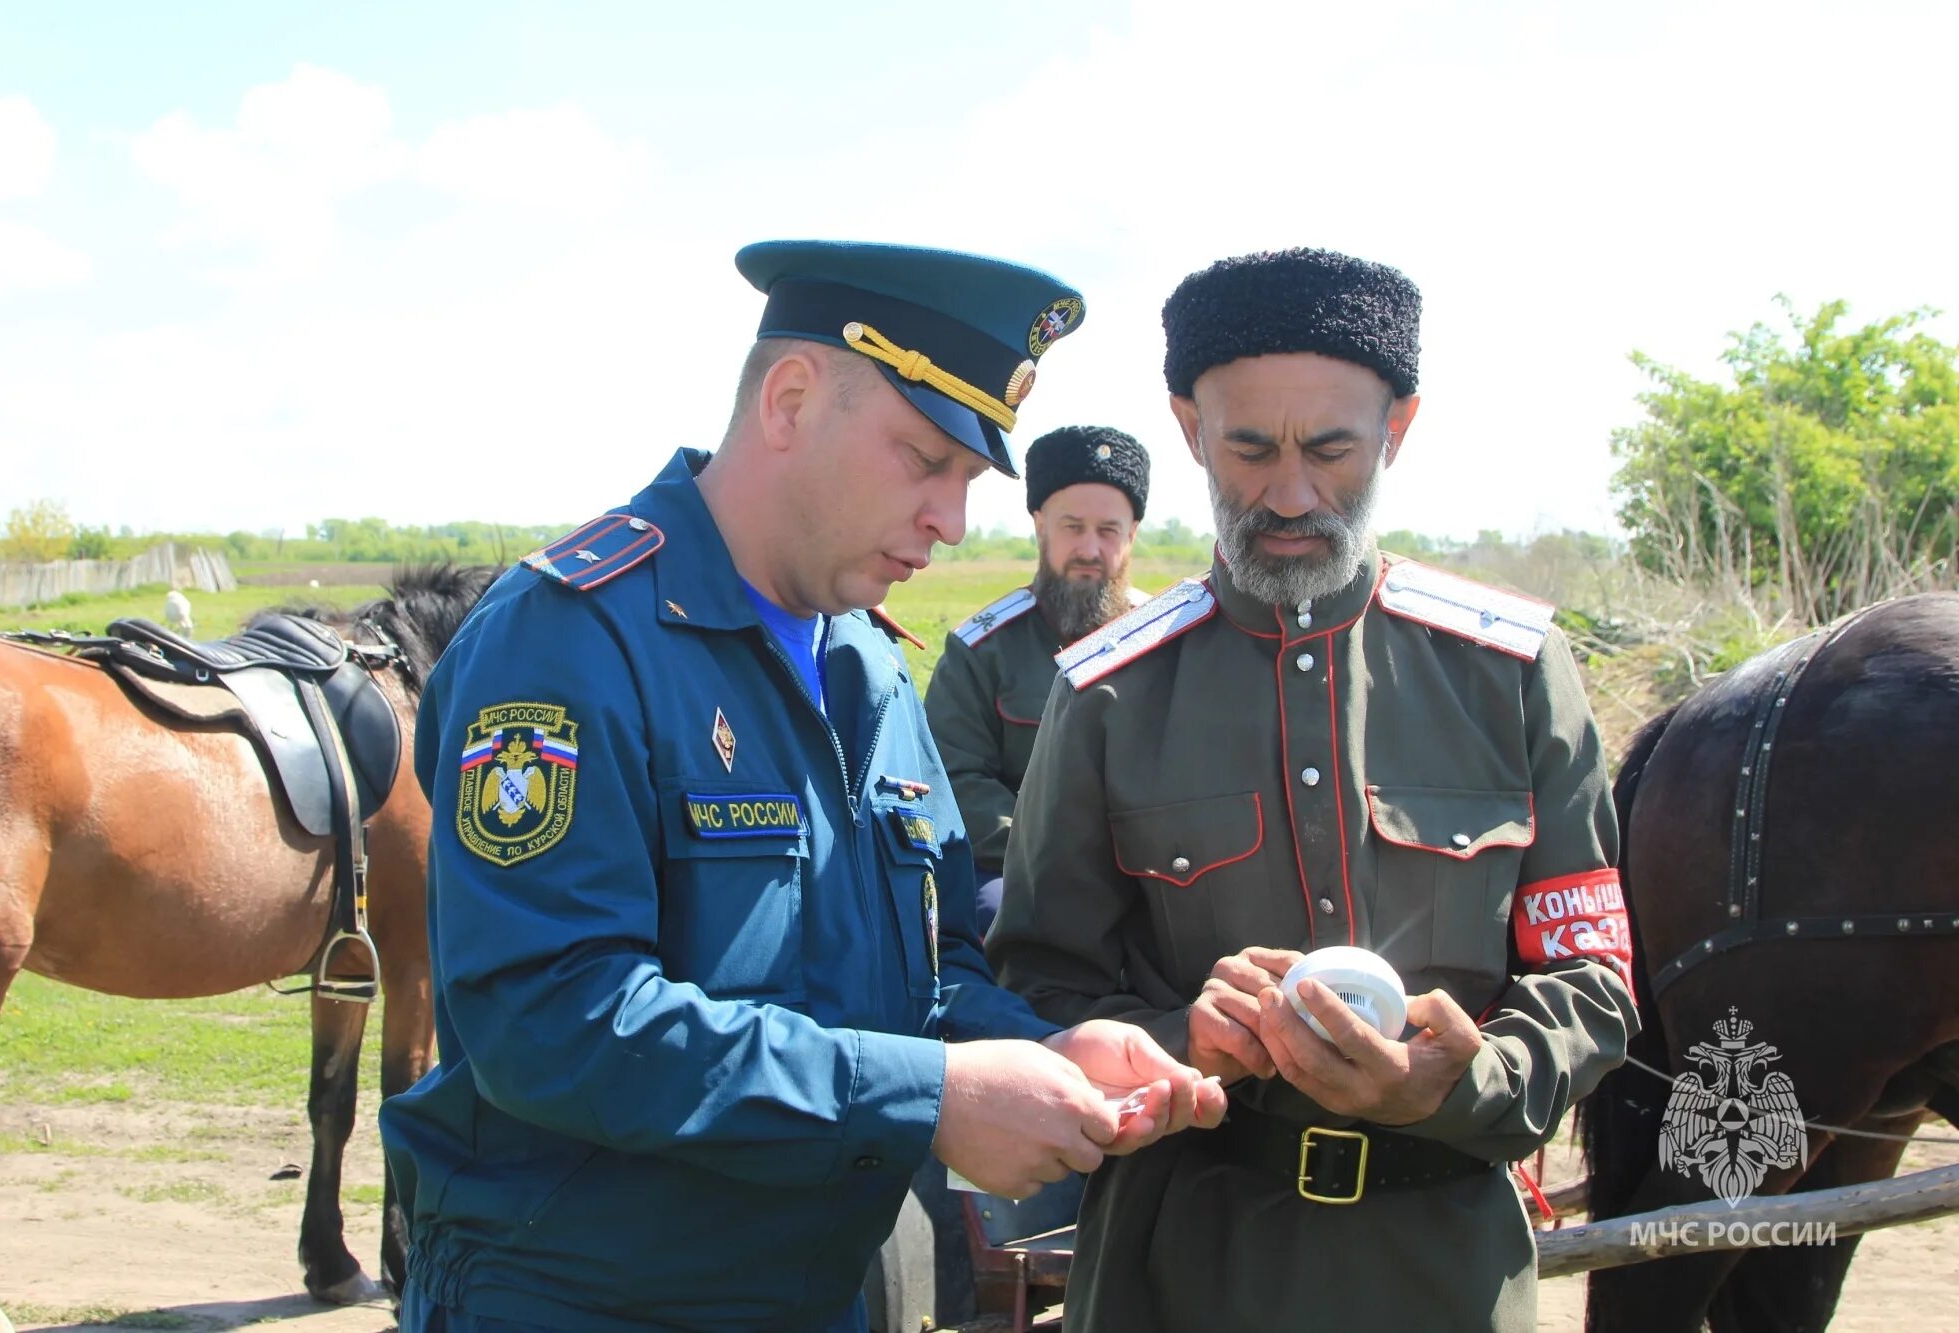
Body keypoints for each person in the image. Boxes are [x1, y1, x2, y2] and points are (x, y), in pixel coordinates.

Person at [378, 240, 1226, 1333]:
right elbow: (551, 1021)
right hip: (587, 1299)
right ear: (788, 399)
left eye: (968, 482)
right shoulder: (568, 640)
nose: (951, 521)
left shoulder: (865, 662)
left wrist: (1025, 1048)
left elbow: (919, 972)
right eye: (923, 459)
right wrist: (930, 1098)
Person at [988, 247, 1638, 1331]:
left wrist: (1459, 1081)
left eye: (1331, 449)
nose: (1288, 494)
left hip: (1444, 1270)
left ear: (1398, 426)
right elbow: (1039, 987)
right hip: (1180, 1266)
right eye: (1246, 448)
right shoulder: (1106, 691)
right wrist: (1182, 1037)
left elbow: (1592, 979)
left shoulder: (1512, 672)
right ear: (1190, 429)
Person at [924, 424, 1150, 933]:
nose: (1090, 549)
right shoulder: (981, 650)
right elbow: (955, 779)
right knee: (1007, 918)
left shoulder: (1169, 642)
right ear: (1040, 526)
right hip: (1019, 865)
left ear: (1131, 535)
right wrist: (1061, 852)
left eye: (1108, 530)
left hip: (1152, 868)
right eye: (1072, 527)